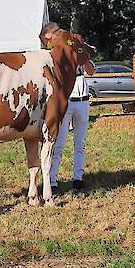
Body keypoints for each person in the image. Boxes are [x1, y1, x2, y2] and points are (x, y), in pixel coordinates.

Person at [42, 23, 96, 190]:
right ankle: (52, 179)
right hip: (67, 99)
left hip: (83, 100)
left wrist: (83, 56)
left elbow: (91, 71)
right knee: (58, 141)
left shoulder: (77, 49)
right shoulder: (58, 53)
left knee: (80, 142)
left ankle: (78, 177)